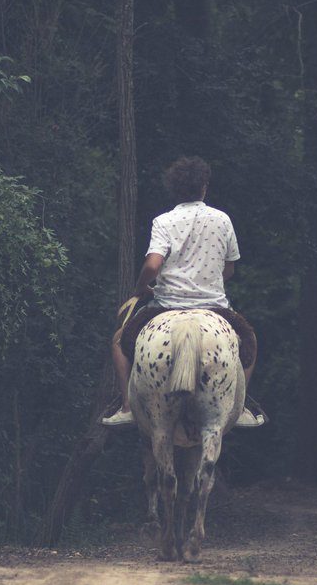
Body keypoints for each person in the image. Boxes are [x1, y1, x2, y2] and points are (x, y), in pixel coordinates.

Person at [101, 156, 263, 428]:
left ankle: (128, 407)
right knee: (250, 342)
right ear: (204, 187)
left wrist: (141, 287)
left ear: (174, 189)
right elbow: (230, 270)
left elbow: (153, 264)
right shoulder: (222, 220)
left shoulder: (164, 221)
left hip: (167, 306)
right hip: (214, 307)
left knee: (119, 341)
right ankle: (240, 406)